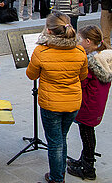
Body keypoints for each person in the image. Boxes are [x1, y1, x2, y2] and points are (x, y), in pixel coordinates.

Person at [26, 12, 88, 183]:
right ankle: (60, 173)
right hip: (73, 102)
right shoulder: (80, 50)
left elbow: (31, 75)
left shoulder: (42, 51)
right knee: (62, 137)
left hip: (51, 103)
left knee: (54, 142)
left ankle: (56, 178)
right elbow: (83, 76)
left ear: (50, 31)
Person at [66, 26, 112, 180]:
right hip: (96, 104)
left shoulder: (90, 62)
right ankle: (84, 160)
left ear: (88, 41)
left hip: (88, 105)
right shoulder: (103, 57)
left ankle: (88, 169)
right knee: (88, 133)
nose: (77, 42)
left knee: (86, 135)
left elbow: (81, 82)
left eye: (79, 39)